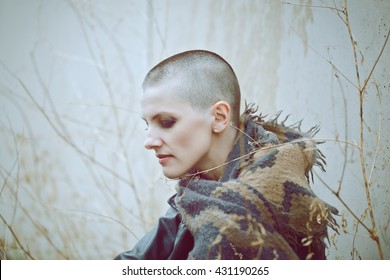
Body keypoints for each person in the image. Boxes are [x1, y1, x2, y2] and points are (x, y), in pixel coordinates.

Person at [115, 50, 337, 260]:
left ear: (219, 117)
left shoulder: (255, 204)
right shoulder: (197, 194)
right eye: (147, 124)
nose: (149, 142)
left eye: (166, 122)